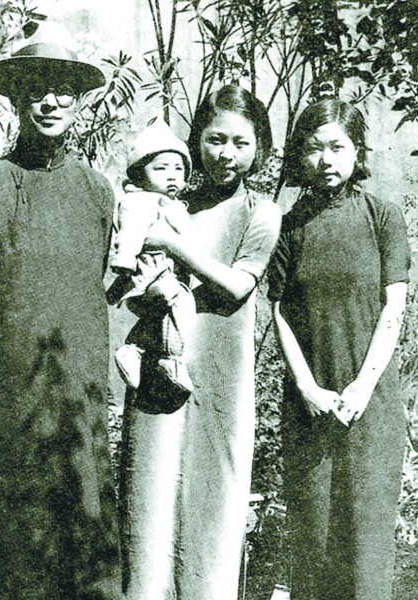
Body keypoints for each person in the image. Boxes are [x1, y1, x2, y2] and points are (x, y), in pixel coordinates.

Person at [0, 21, 122, 600]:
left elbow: (102, 286)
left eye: (63, 92)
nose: (50, 102)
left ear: (79, 103)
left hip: (80, 389)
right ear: (17, 100)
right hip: (13, 395)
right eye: (36, 91)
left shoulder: (97, 191)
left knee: (85, 520)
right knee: (17, 533)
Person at [119, 84, 282, 600]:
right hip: (160, 368)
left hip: (222, 376)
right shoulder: (168, 204)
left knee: (214, 502)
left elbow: (236, 286)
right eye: (215, 140)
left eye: (240, 142)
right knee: (148, 498)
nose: (226, 154)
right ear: (197, 141)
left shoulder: (262, 213)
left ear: (260, 147)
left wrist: (171, 243)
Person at [268, 98, 411, 600]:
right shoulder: (289, 226)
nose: (325, 160)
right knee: (314, 546)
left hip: (371, 407)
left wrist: (363, 387)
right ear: (300, 155)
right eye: (313, 148)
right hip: (309, 408)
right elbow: (280, 312)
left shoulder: (382, 217)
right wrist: (307, 387)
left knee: (366, 549)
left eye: (337, 147)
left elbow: (395, 307)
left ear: (357, 152)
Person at [108, 117, 196, 394]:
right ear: (139, 174)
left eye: (178, 169)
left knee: (160, 316)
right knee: (179, 304)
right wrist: (125, 257)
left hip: (165, 273)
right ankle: (172, 359)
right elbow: (131, 229)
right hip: (151, 272)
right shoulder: (140, 200)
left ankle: (134, 349)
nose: (172, 176)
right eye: (161, 168)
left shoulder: (172, 204)